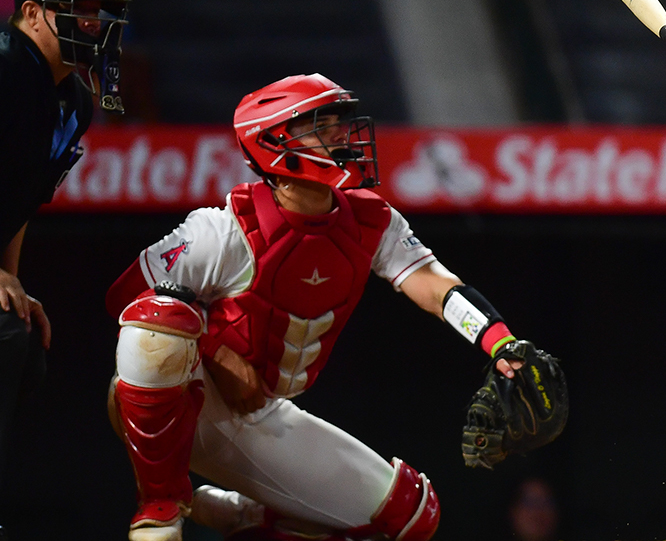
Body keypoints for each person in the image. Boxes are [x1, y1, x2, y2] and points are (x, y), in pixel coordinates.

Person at [102, 74, 543, 541]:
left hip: (261, 415)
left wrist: (502, 344)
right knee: (156, 323)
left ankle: (249, 515)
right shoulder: (224, 229)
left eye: (338, 122)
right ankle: (160, 508)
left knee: (412, 517)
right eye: (321, 124)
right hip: (179, 405)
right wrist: (218, 352)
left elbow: (437, 288)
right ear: (273, 142)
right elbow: (127, 299)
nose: (340, 134)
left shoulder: (372, 220)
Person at [0, 0, 128, 490]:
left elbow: (17, 200)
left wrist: (11, 279)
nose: (93, 25)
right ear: (32, 14)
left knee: (21, 344)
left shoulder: (74, 99)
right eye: (80, 10)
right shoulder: (4, 69)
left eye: (100, 14)